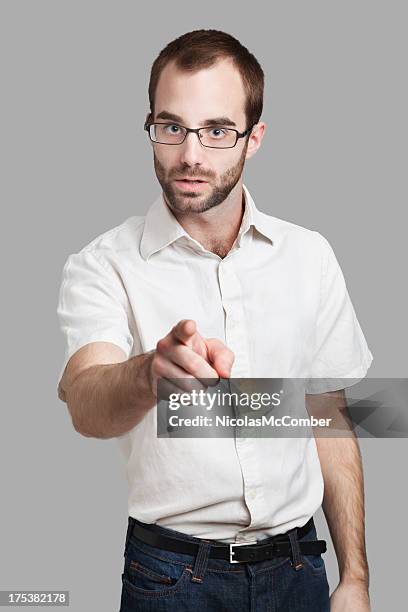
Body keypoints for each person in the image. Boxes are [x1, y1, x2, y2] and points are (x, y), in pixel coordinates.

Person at [56, 29, 373, 612]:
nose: (191, 155)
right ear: (151, 125)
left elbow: (327, 414)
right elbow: (85, 401)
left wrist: (354, 577)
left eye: (218, 131)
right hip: (170, 579)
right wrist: (150, 374)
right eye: (172, 127)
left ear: (254, 138)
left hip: (299, 568)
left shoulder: (311, 256)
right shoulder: (103, 264)